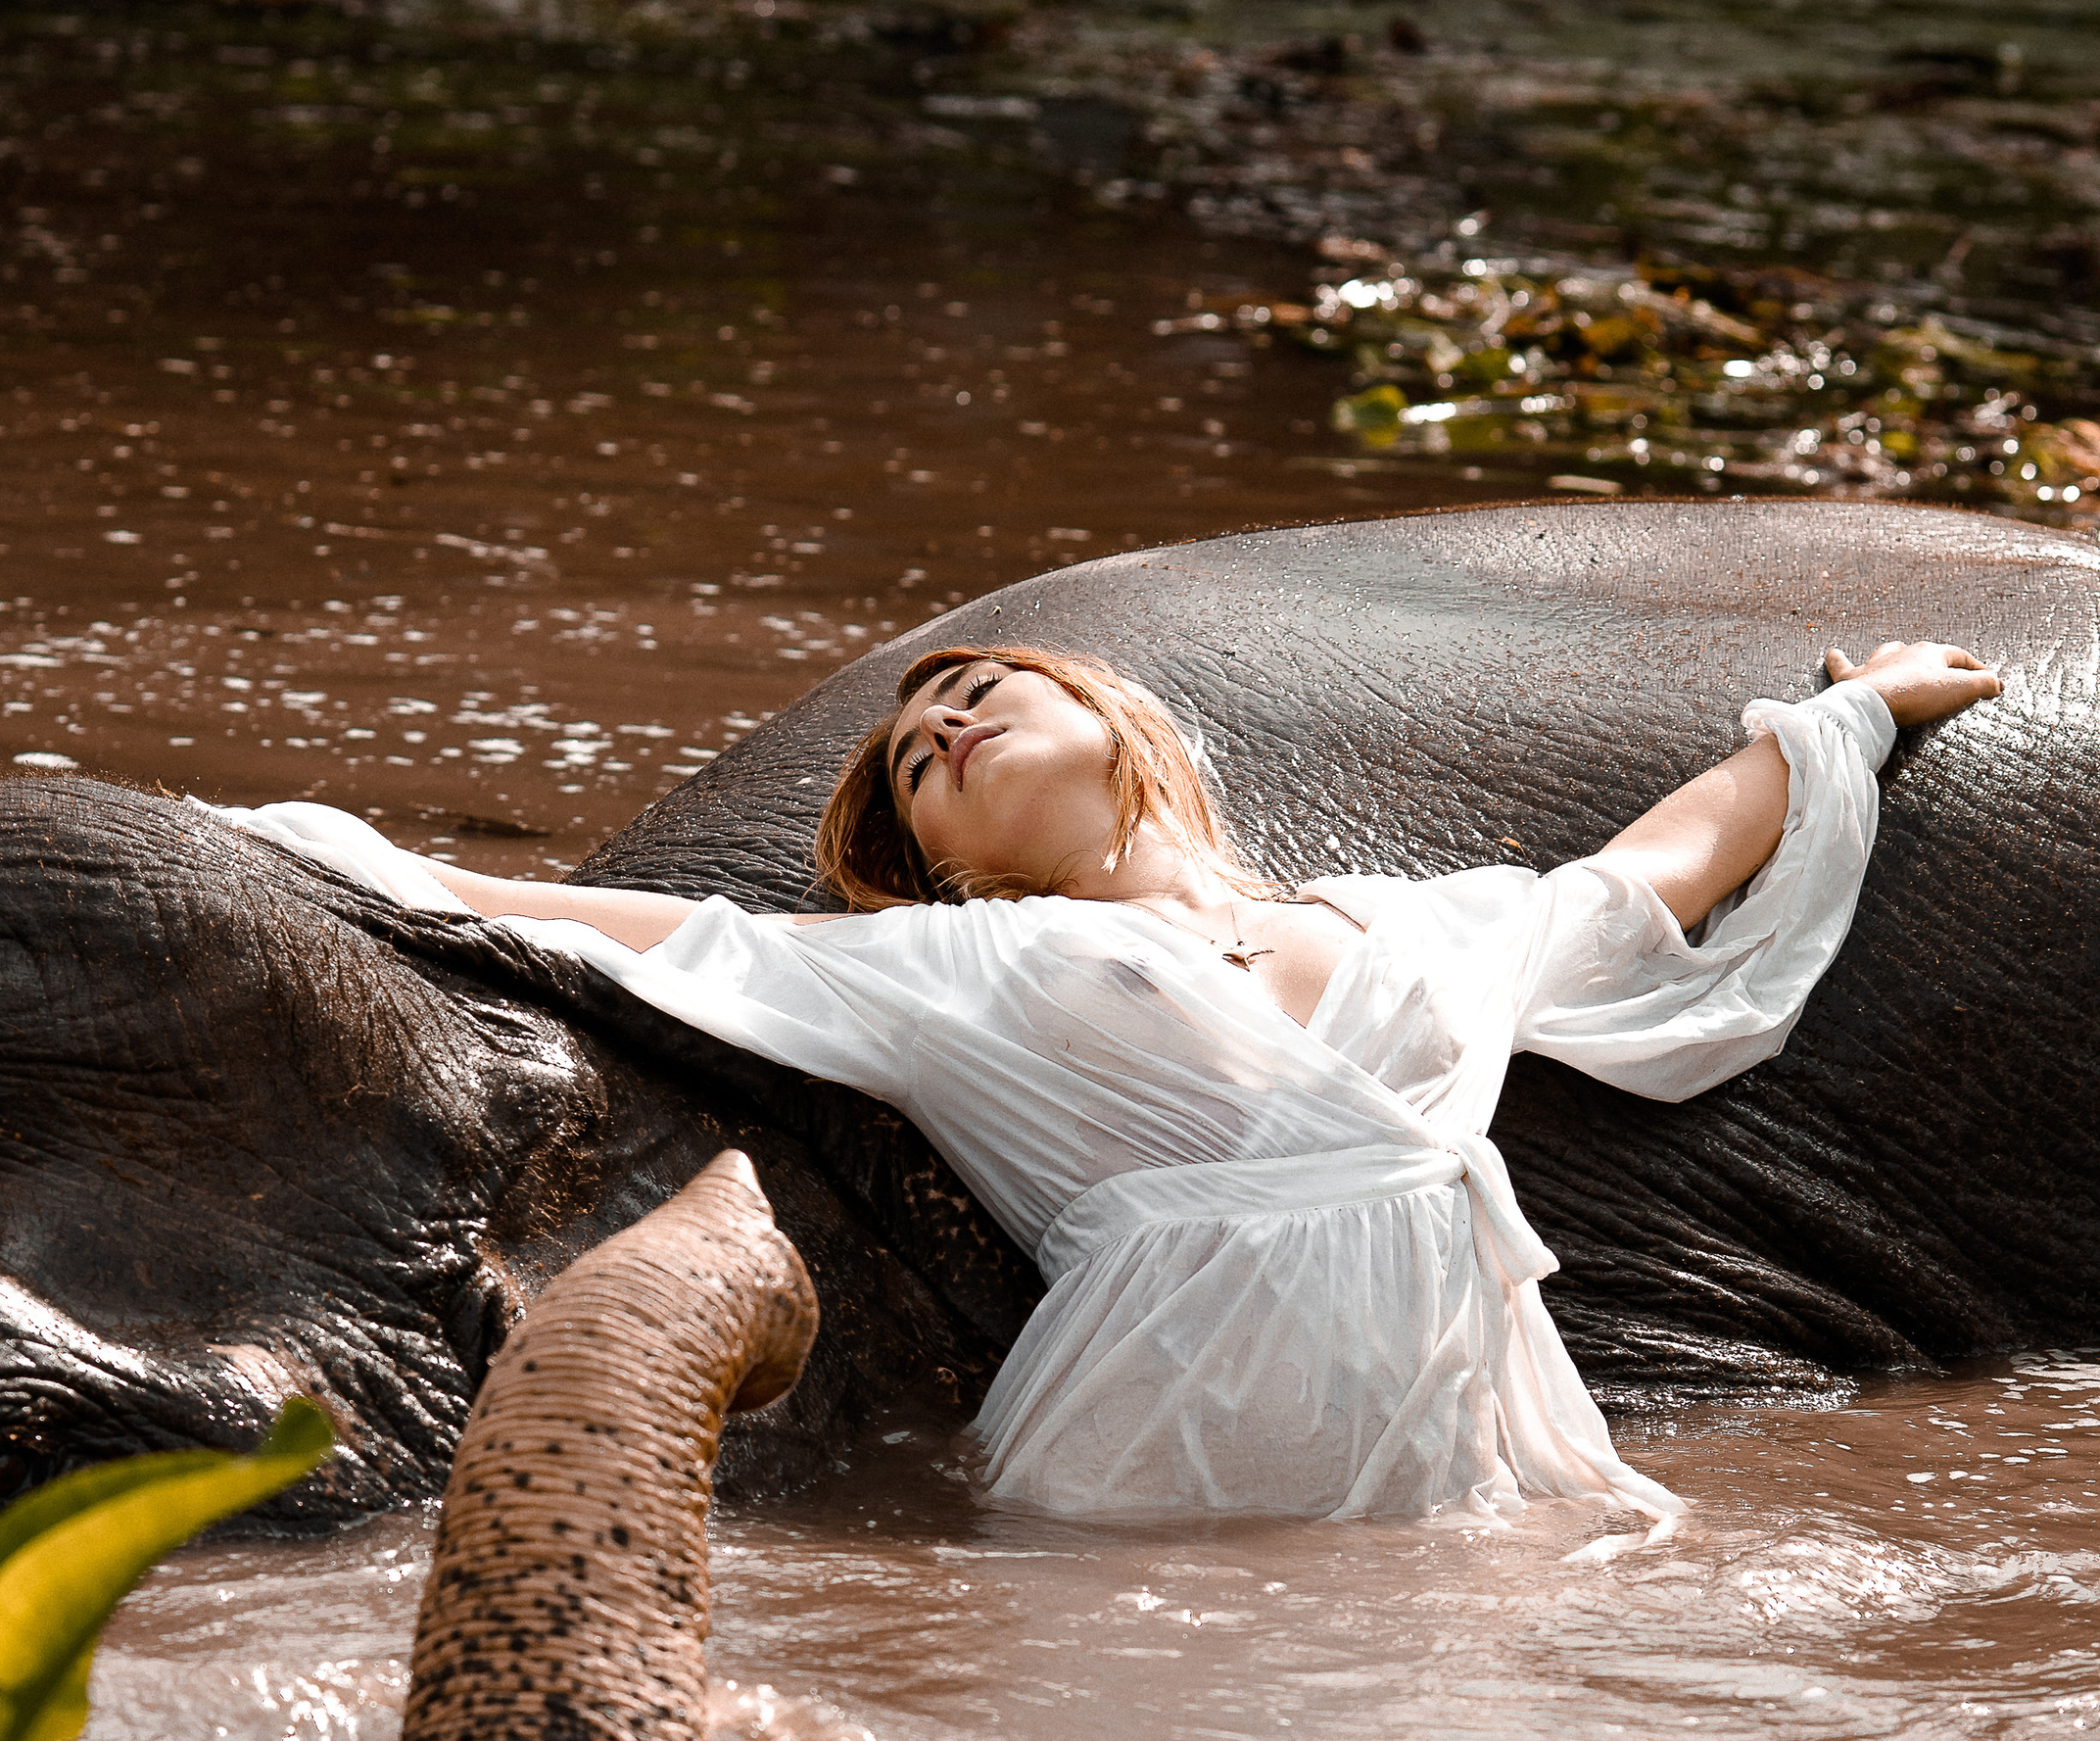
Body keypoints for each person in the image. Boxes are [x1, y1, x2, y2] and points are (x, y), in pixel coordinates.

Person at [224, 631, 2001, 1536]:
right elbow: (647, 927)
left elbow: (1641, 883)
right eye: (919, 765)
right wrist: (293, 843)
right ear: (941, 866)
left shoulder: (1410, 928)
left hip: (1462, 1446)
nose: (946, 730)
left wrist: (1843, 722)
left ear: (1119, 724)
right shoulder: (961, 970)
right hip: (1146, 1452)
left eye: (978, 695)